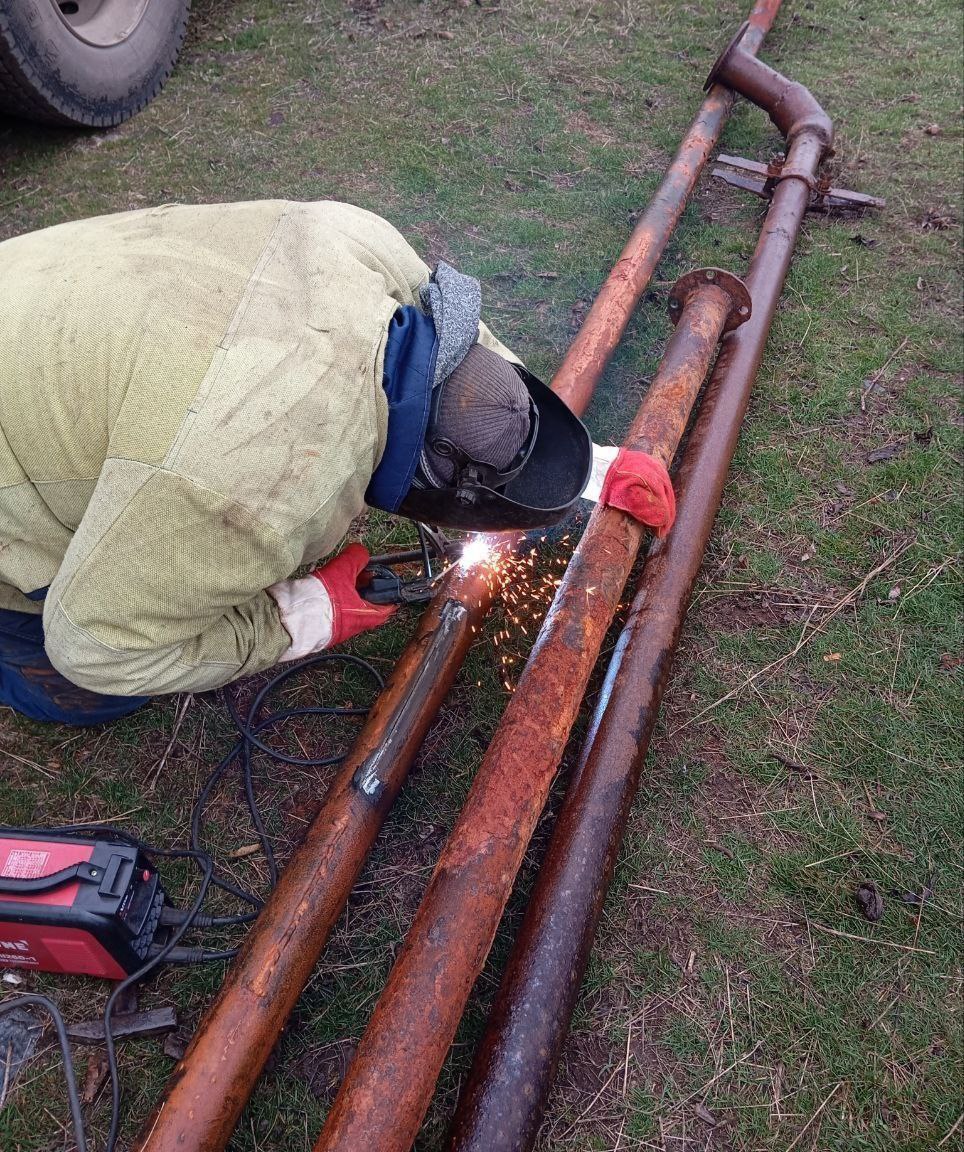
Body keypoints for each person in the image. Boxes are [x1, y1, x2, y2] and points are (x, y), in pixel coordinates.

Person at [0, 200, 674, 725]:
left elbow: (466, 357)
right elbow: (96, 645)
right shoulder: (255, 490)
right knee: (81, 686)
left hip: (46, 292)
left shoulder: (357, 238)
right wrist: (299, 616)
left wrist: (593, 469)